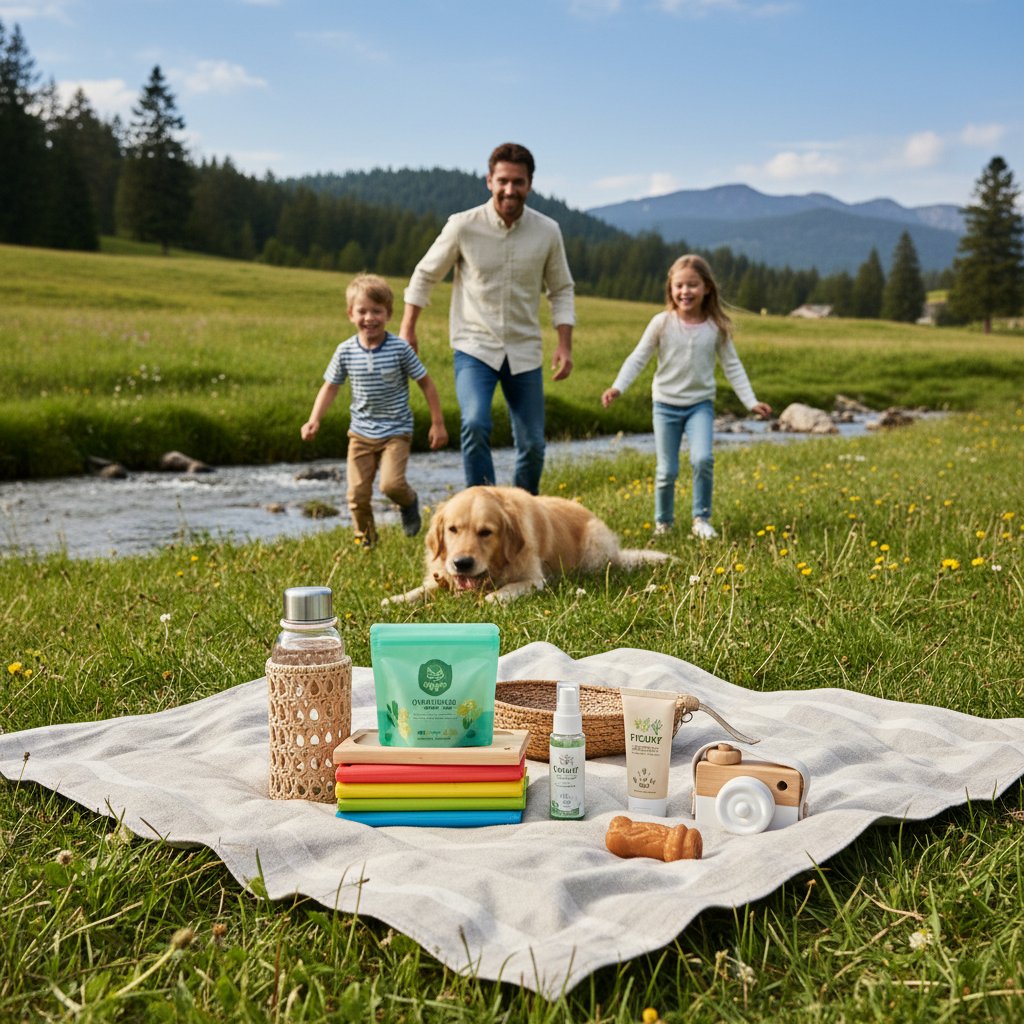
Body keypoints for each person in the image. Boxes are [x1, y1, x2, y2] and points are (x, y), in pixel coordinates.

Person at [399, 142, 575, 495]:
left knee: (533, 444)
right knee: (476, 423)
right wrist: (408, 328)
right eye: (503, 181)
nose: (510, 190)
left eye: (519, 182)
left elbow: (561, 289)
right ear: (489, 181)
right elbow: (424, 275)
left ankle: (523, 514)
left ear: (530, 184)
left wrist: (564, 344)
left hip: (524, 350)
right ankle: (481, 509)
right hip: (474, 346)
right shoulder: (463, 226)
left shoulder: (547, 231)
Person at [601, 254, 772, 540]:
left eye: (692, 285)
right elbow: (638, 358)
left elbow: (733, 367)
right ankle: (663, 524)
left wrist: (751, 402)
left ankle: (701, 519)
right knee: (667, 469)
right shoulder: (661, 323)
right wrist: (618, 386)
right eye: (679, 285)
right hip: (665, 405)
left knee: (703, 459)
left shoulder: (716, 327)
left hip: (699, 406)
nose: (685, 292)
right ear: (670, 288)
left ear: (706, 287)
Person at [301, 273, 448, 548]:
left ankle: (409, 501)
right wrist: (314, 420)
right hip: (360, 433)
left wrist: (437, 423)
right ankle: (366, 541)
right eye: (362, 311)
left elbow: (426, 384)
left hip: (396, 432)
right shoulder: (345, 351)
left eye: (377, 311)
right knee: (356, 495)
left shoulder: (400, 349)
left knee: (390, 485)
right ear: (350, 314)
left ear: (388, 314)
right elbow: (330, 387)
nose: (370, 317)